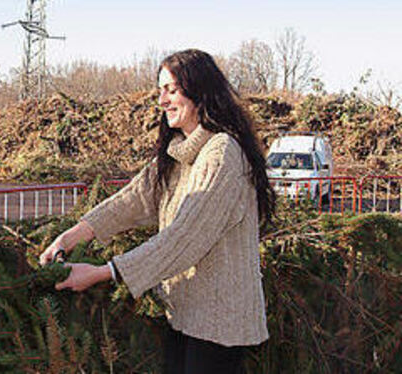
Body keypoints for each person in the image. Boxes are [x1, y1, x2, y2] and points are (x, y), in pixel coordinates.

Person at [40, 49, 275, 374]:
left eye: (172, 90)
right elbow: (131, 200)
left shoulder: (221, 153)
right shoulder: (180, 150)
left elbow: (183, 238)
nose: (162, 100)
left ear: (201, 92)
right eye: (160, 90)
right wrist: (70, 236)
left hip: (221, 326)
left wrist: (103, 271)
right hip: (185, 314)